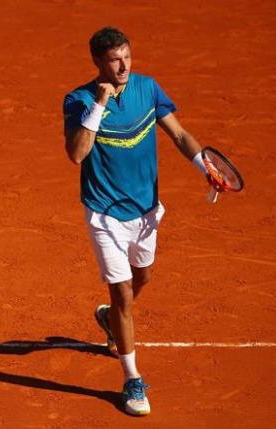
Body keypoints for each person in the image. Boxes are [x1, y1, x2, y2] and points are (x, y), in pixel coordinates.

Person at [63, 27, 213, 416]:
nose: (124, 65)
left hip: (145, 211)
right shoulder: (78, 100)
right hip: (104, 214)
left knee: (142, 277)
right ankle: (131, 379)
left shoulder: (148, 89)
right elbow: (78, 154)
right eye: (115, 59)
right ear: (98, 62)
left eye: (127, 56)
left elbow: (178, 134)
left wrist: (204, 166)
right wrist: (98, 104)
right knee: (123, 292)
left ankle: (111, 321)